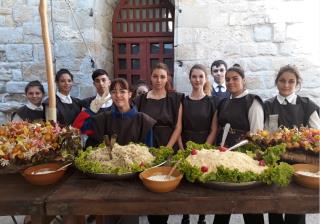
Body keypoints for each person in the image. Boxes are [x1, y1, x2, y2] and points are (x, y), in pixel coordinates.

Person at [265, 65, 320, 224]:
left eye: (291, 81)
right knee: (274, 207)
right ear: (277, 82)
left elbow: (317, 134)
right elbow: (265, 134)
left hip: (302, 164)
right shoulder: (268, 105)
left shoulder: (307, 105)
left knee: (297, 208)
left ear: (297, 83)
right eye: (282, 81)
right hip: (276, 162)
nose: (286, 85)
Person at [213, 64, 264, 224]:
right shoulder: (223, 103)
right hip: (224, 155)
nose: (230, 82)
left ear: (244, 80)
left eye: (235, 78)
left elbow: (257, 135)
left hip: (245, 158)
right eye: (227, 79)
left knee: (249, 206)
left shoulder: (252, 101)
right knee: (223, 205)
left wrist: (253, 159)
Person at [134, 62, 184, 224]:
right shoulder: (141, 99)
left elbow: (178, 127)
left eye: (162, 77)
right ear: (150, 77)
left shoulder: (175, 99)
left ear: (167, 78)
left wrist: (167, 149)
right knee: (149, 186)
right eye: (155, 76)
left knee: (165, 187)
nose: (158, 80)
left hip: (168, 145)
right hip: (148, 146)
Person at [179, 64, 218, 224]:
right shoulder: (183, 101)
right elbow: (178, 128)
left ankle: (202, 216)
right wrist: (182, 149)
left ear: (205, 79)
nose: (197, 79)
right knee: (186, 182)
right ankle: (185, 215)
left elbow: (214, 129)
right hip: (186, 144)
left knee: (203, 182)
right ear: (190, 79)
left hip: (205, 146)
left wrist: (203, 150)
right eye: (194, 76)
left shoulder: (211, 102)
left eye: (201, 76)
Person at [74, 78, 156, 147]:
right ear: (110, 95)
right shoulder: (105, 118)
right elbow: (78, 126)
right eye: (113, 92)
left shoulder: (143, 121)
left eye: (122, 91)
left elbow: (148, 152)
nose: (118, 95)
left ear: (130, 94)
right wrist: (92, 110)